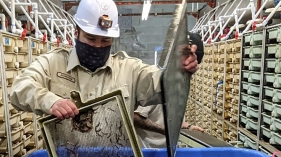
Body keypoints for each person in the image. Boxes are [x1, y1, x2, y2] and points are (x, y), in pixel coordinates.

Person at [10, 0, 198, 124]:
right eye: (91, 39)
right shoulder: (52, 64)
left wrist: (179, 68)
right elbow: (20, 87)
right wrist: (49, 101)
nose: (98, 46)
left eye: (105, 41)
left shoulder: (129, 70)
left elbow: (161, 81)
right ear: (76, 33)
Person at [133, 32, 205, 148]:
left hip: (165, 152)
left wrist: (187, 126)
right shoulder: (154, 81)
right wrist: (166, 131)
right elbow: (136, 117)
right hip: (148, 153)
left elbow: (167, 118)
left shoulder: (177, 84)